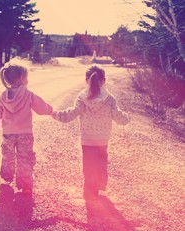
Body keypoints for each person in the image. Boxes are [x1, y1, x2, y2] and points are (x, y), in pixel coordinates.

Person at [52, 65, 130, 200]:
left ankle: (89, 190)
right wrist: (127, 118)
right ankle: (99, 185)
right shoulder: (109, 98)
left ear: (86, 80)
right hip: (102, 139)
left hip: (87, 139)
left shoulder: (82, 97)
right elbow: (119, 117)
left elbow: (71, 114)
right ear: (104, 80)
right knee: (101, 163)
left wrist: (55, 114)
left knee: (88, 165)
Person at [0, 62, 53, 200]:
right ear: (21, 78)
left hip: (8, 133)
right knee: (24, 157)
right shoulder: (28, 94)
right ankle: (25, 184)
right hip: (25, 133)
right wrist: (51, 110)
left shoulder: (3, 96)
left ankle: (7, 176)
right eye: (27, 76)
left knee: (8, 155)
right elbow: (41, 107)